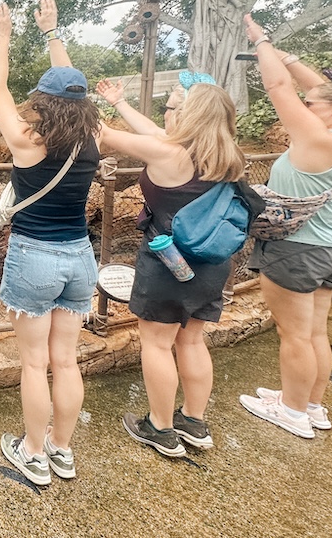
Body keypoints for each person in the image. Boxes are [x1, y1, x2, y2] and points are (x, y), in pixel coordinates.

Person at [97, 75, 246, 456]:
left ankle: (160, 428)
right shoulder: (230, 156)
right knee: (192, 340)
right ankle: (193, 422)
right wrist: (120, 103)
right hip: (212, 263)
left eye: (175, 105)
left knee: (158, 345)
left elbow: (105, 135)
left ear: (189, 116)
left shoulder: (169, 155)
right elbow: (154, 134)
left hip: (168, 263)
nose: (168, 111)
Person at [0, 0, 101, 486]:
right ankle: (62, 449)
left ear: (42, 101)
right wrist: (53, 33)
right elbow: (71, 89)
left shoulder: (25, 140)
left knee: (35, 365)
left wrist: (3, 39)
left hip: (35, 255)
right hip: (81, 257)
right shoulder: (95, 139)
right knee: (66, 361)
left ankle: (32, 453)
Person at [238, 16, 332, 438]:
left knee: (295, 334)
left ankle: (293, 412)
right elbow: (310, 90)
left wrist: (261, 40)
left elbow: (280, 89)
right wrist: (290, 58)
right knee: (315, 329)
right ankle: (310, 404)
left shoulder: (321, 141)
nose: (305, 108)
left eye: (313, 105)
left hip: (298, 247)